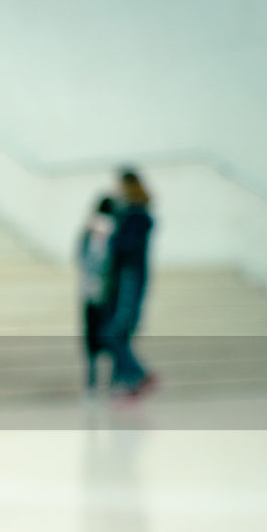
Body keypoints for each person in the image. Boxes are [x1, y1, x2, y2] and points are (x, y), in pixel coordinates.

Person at [100, 168, 158, 397]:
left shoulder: (136, 216)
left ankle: (138, 376)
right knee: (117, 333)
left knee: (114, 332)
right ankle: (128, 383)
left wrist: (108, 233)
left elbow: (123, 247)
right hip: (128, 279)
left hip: (129, 280)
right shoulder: (134, 214)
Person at [76, 196, 117, 391]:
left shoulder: (89, 229)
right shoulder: (113, 228)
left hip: (91, 291)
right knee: (107, 334)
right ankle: (110, 379)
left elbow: (82, 257)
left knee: (92, 335)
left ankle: (93, 378)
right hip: (105, 292)